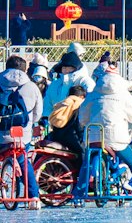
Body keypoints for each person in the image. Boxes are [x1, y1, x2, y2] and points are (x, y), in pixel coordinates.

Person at [76, 68, 132, 204]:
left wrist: (85, 123)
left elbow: (83, 116)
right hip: (116, 138)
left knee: (87, 164)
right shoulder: (123, 94)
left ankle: (78, 195)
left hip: (94, 137)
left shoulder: (93, 93)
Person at [0, 54, 44, 207]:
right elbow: (38, 113)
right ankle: (33, 198)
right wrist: (31, 124)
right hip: (21, 136)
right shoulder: (31, 86)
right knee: (23, 160)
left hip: (0, 137)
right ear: (25, 70)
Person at [41, 84, 88, 164]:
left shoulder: (62, 103)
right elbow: (79, 127)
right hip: (72, 139)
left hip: (56, 136)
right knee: (84, 154)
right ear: (82, 97)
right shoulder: (79, 105)